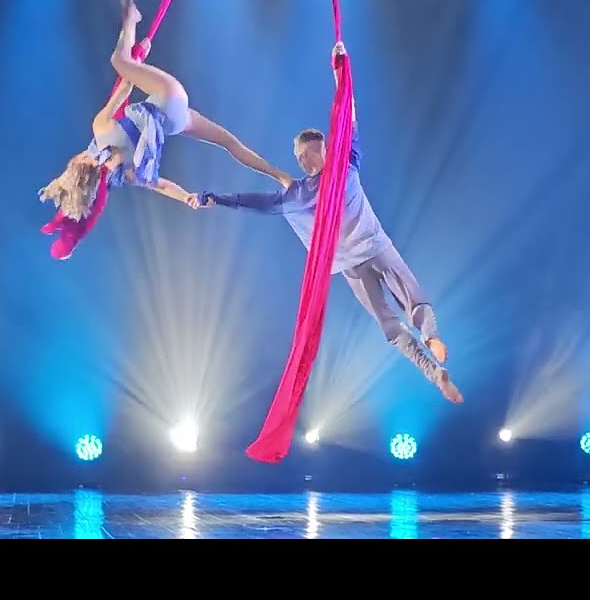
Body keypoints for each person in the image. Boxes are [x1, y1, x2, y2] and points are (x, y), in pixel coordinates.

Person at [191, 42, 462, 404]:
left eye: (302, 155)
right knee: (409, 307)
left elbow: (254, 202)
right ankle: (431, 344)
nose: (303, 160)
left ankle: (431, 363)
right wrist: (339, 72)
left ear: (305, 155)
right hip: (373, 250)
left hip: (353, 263)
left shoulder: (301, 193)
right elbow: (349, 112)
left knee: (391, 323)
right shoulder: (342, 165)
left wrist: (216, 198)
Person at [39, 0, 292, 225]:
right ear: (79, 160)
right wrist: (138, 59)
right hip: (166, 97)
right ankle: (132, 18)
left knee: (229, 142)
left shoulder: (124, 174)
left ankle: (280, 176)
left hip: (176, 120)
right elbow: (126, 86)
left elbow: (161, 186)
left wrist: (186, 197)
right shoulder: (100, 128)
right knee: (119, 60)